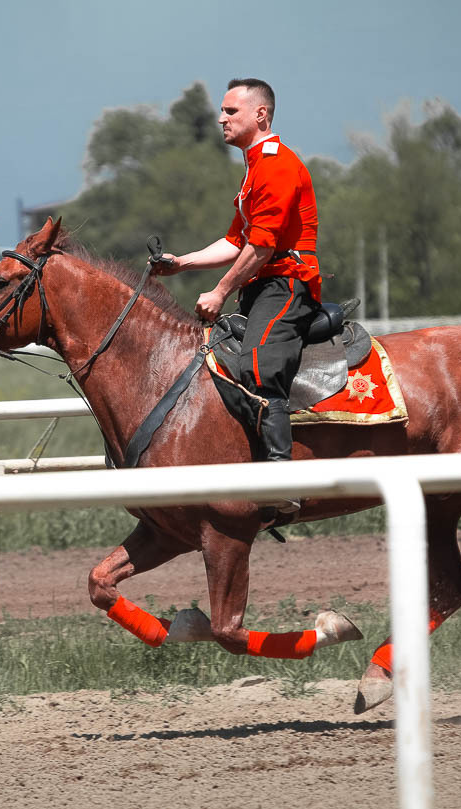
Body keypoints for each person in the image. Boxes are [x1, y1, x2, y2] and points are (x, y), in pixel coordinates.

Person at [152, 78, 321, 517]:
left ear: (260, 115)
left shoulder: (277, 165)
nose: (221, 118)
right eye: (223, 111)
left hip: (288, 284)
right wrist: (183, 263)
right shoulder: (254, 167)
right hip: (262, 284)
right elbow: (236, 240)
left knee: (260, 361)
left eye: (231, 111)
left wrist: (221, 291)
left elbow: (262, 248)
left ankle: (281, 481)